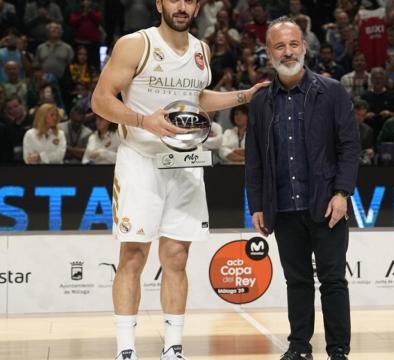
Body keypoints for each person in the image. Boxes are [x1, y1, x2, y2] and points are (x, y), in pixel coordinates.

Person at [90, 0, 268, 358]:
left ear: (198, 6)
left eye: (189, 0)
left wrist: (243, 96)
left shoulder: (201, 49)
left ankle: (173, 348)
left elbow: (197, 98)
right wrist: (143, 121)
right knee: (134, 256)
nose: (181, 6)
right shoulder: (136, 44)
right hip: (140, 162)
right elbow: (100, 100)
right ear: (159, 3)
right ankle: (126, 351)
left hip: (184, 164)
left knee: (176, 257)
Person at [245, 17, 360, 360]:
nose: (288, 51)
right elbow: (254, 159)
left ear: (305, 46)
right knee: (296, 282)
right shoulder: (261, 101)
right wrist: (257, 205)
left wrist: (342, 193)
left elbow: (350, 146)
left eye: (293, 44)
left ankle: (338, 350)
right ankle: (299, 347)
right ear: (269, 52)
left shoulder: (331, 91)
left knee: (333, 281)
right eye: (279, 46)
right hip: (283, 205)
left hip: (326, 204)